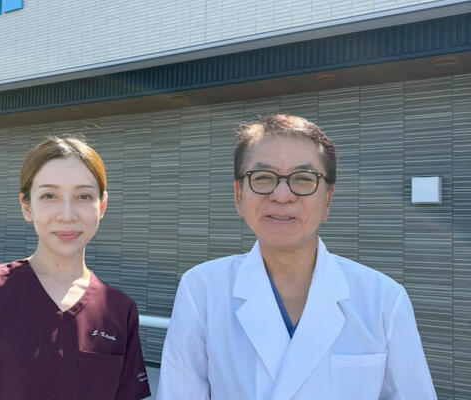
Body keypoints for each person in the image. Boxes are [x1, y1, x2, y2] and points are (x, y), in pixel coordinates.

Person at [156, 114, 437, 399]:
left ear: (327, 199)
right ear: (238, 195)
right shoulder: (202, 290)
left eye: (303, 179)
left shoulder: (383, 299)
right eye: (263, 178)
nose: (282, 195)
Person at [0, 136, 151, 400]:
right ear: (26, 206)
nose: (67, 214)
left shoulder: (119, 310)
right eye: (49, 196)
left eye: (84, 196)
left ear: (101, 206)